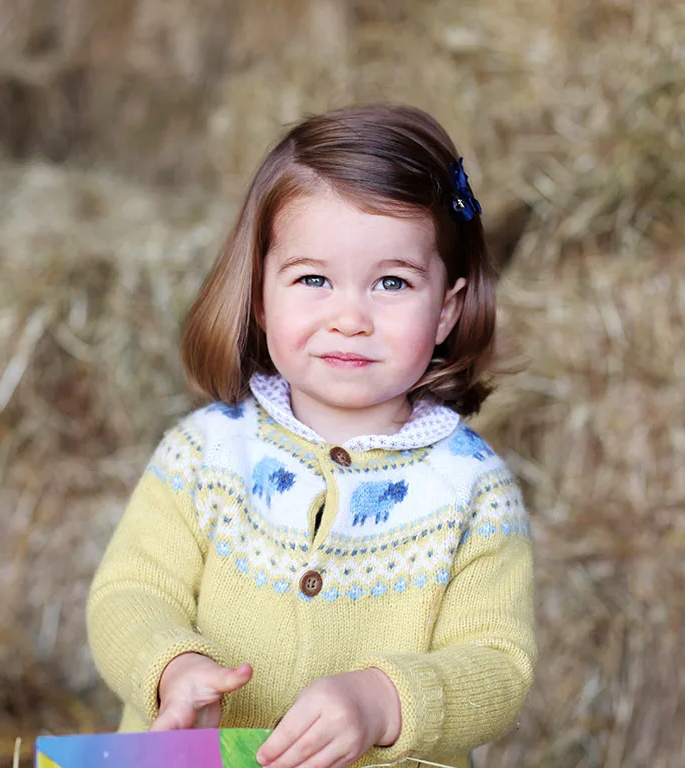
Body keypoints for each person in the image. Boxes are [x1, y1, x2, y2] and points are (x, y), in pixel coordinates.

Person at [86, 104, 536, 768]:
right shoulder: (206, 453)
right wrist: (172, 667)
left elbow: (498, 664)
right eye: (313, 279)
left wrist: (384, 699)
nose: (350, 317)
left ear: (446, 309)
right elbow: (130, 592)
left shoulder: (472, 491)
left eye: (391, 282)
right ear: (262, 297)